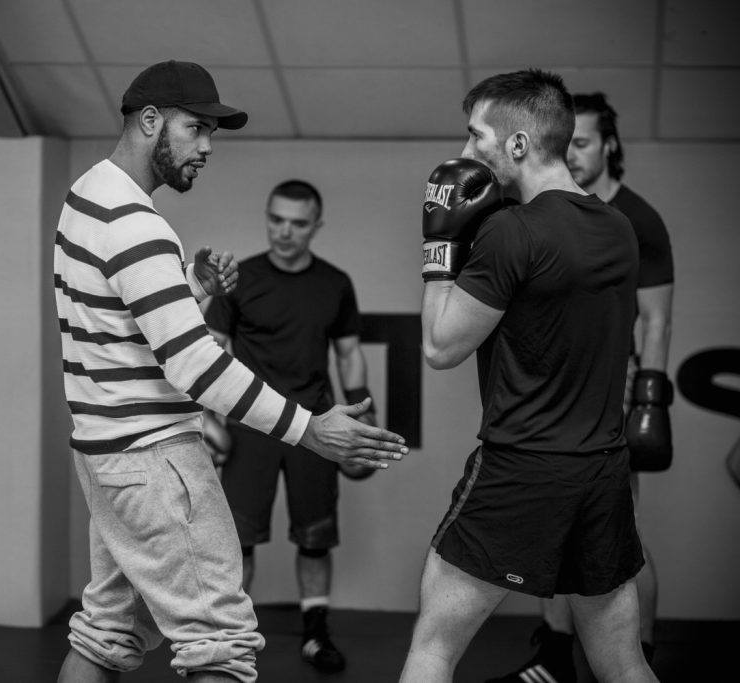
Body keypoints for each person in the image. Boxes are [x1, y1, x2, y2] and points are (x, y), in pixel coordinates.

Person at [52, 60, 408, 683]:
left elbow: (121, 331)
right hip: (157, 462)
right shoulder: (137, 223)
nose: (208, 147)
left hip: (109, 460)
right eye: (196, 129)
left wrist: (192, 285)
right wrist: (310, 429)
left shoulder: (85, 199)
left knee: (108, 633)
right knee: (221, 642)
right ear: (151, 120)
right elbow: (193, 363)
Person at [400, 69, 658, 682]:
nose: (466, 154)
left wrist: (439, 248)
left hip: (520, 471)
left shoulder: (511, 232)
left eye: (476, 137)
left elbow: (440, 347)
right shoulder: (618, 229)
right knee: (622, 661)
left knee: (433, 646)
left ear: (517, 145)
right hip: (601, 469)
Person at [488, 92, 675, 682]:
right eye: (569, 141)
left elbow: (657, 318)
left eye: (586, 141)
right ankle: (552, 658)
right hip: (549, 388)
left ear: (609, 146)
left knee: (618, 536)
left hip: (608, 393)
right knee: (549, 531)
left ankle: (636, 655)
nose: (574, 152)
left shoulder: (634, 220)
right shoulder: (541, 210)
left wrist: (648, 399)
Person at [202, 179, 375, 672]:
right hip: (250, 429)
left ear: (316, 227)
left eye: (298, 223)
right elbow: (211, 348)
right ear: (267, 217)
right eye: (276, 219)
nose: (285, 231)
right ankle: (229, 640)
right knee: (238, 541)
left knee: (314, 538)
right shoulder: (242, 280)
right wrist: (209, 418)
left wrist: (366, 413)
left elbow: (348, 354)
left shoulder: (335, 283)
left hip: (315, 427)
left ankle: (316, 636)